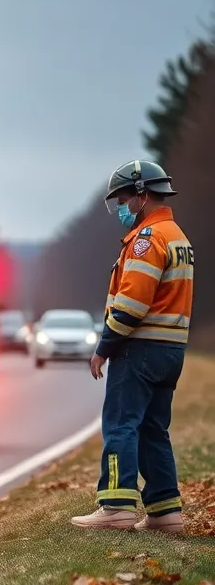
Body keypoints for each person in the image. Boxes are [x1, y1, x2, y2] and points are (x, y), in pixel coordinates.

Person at [71, 160, 194, 533]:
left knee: (120, 425)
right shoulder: (178, 237)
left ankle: (115, 505)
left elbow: (131, 304)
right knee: (154, 429)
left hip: (138, 349)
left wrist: (104, 347)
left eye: (122, 200)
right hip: (170, 351)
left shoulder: (146, 241)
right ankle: (164, 511)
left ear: (142, 195)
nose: (120, 209)